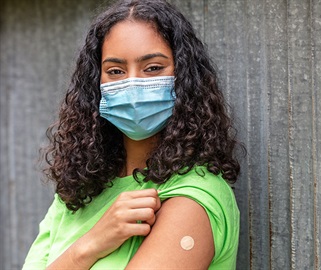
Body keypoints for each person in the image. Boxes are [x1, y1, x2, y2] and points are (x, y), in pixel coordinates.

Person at [22, 0, 241, 269]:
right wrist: (92, 244)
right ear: (95, 84)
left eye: (153, 68)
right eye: (115, 71)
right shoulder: (78, 192)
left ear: (184, 77)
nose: (133, 83)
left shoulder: (194, 195)